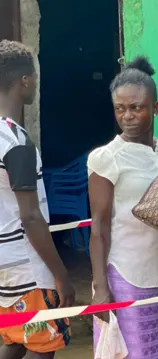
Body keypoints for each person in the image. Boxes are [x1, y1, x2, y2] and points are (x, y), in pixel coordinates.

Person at [88, 57, 158, 358]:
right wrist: (101, 288)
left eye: (136, 108)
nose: (127, 116)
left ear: (155, 107)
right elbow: (99, 226)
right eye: (120, 109)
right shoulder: (107, 158)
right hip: (125, 276)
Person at [0, 40, 75, 359]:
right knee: (44, 345)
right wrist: (60, 275)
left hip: (5, 265)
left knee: (16, 340)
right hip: (28, 267)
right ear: (25, 81)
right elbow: (30, 216)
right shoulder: (16, 142)